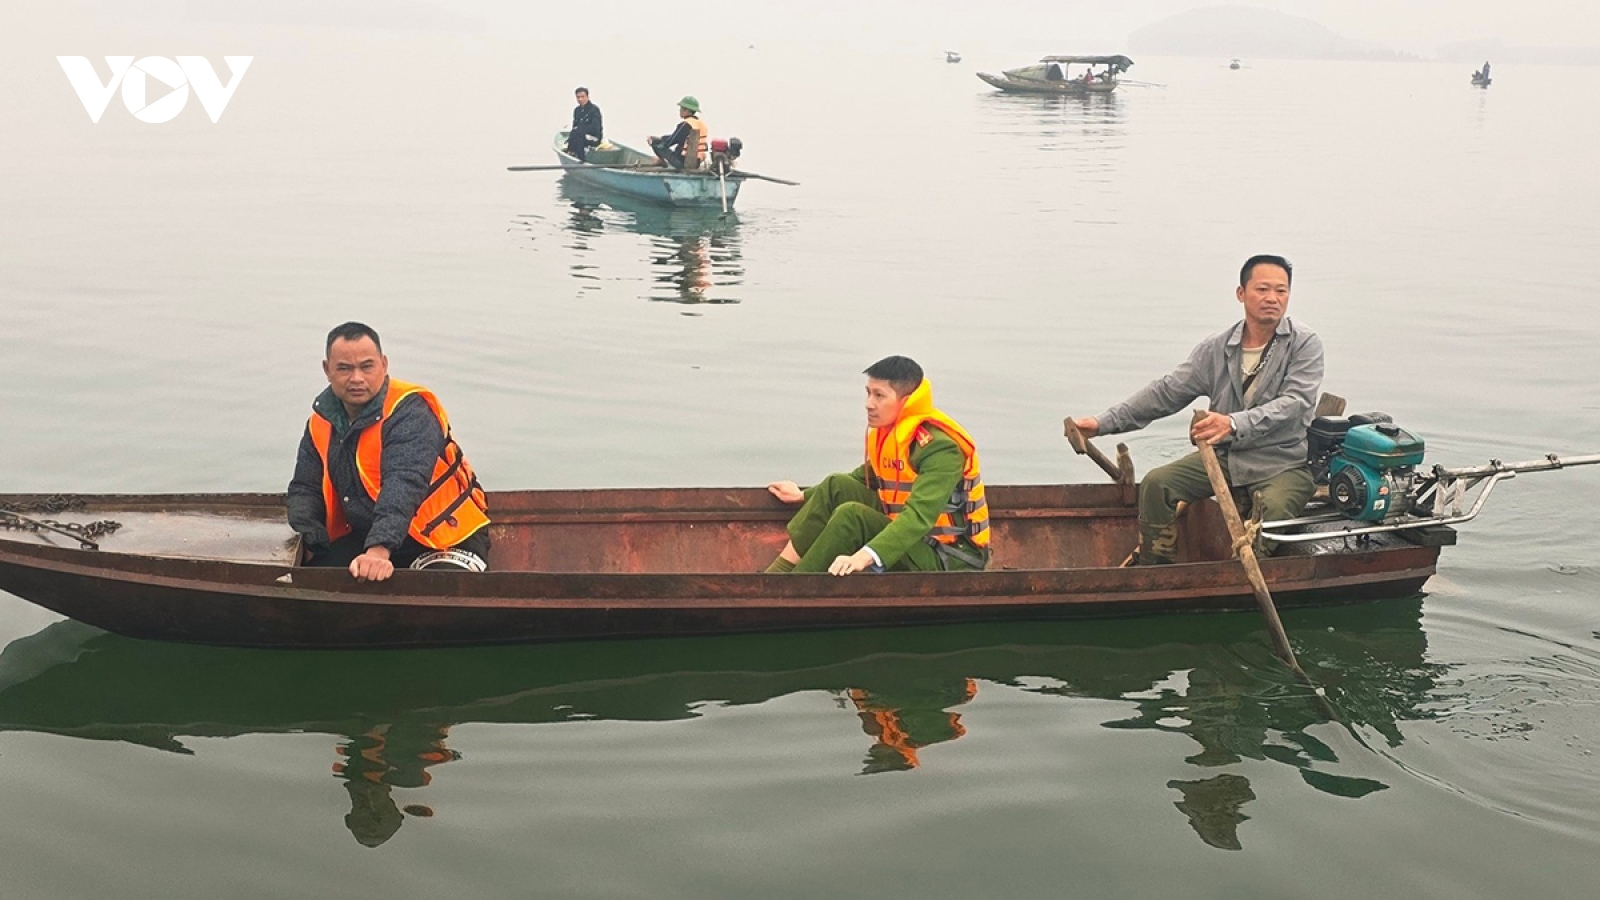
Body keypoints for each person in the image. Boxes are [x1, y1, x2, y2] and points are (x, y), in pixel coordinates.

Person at [1068, 255, 1323, 565]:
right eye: (1262, 289)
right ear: (1241, 294)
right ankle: (1157, 569)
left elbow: (1295, 405)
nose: (1272, 298)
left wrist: (1232, 423)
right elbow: (1166, 392)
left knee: (1268, 516)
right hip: (1227, 458)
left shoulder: (1304, 344)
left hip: (1282, 462)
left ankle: (1235, 577)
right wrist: (1102, 423)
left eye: (1281, 291)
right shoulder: (1217, 348)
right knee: (1156, 485)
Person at [288, 322, 491, 582]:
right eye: (344, 368)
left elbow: (404, 482)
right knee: (312, 581)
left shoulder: (410, 411)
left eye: (366, 366)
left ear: (384, 365)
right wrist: (312, 542)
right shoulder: (320, 422)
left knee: (439, 588)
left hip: (442, 539)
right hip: (369, 535)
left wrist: (379, 550)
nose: (357, 378)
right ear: (327, 370)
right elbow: (305, 488)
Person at [764, 356, 992, 575]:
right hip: (916, 539)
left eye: (879, 396)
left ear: (906, 400)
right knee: (837, 485)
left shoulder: (940, 449)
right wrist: (803, 495)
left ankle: (792, 588)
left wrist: (862, 557)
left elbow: (918, 517)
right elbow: (860, 478)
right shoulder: (893, 435)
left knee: (852, 517)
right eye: (868, 393)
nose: (868, 404)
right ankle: (778, 573)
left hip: (950, 556)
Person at [647, 95, 708, 170]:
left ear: (687, 110)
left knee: (654, 142)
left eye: (681, 109)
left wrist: (655, 141)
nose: (679, 111)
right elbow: (678, 137)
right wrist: (662, 138)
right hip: (697, 163)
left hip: (681, 162)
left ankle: (661, 161)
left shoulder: (685, 124)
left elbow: (670, 142)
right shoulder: (701, 124)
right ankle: (662, 160)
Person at [567, 86, 603, 160]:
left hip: (594, 137)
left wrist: (580, 130)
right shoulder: (577, 110)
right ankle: (571, 153)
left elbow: (595, 128)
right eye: (578, 97)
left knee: (579, 137)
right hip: (580, 135)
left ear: (587, 97)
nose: (580, 99)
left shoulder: (594, 110)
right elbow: (575, 126)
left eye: (583, 97)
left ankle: (581, 160)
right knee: (574, 135)